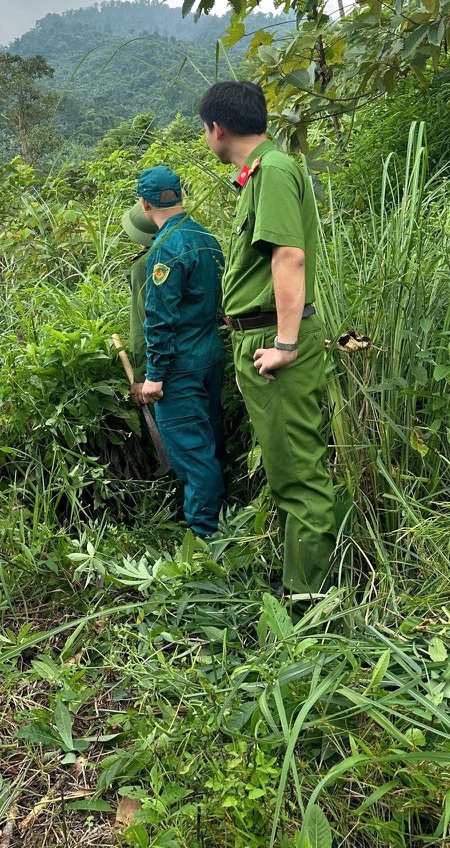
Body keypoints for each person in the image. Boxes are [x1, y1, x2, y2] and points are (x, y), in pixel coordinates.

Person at [199, 79, 336, 600]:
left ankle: (310, 598)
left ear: (218, 128)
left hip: (274, 345)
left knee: (298, 472)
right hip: (258, 339)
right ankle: (302, 578)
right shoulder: (259, 174)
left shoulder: (274, 171)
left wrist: (284, 343)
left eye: (204, 130)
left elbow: (288, 257)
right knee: (287, 467)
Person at [133, 166, 226, 537]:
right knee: (211, 439)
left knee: (191, 450)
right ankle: (226, 518)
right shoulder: (207, 238)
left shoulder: (165, 250)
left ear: (144, 203)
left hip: (180, 368)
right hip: (211, 356)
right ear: (180, 195)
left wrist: (154, 377)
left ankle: (206, 538)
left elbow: (159, 320)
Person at [120, 202, 156, 397]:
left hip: (167, 367)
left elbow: (142, 320)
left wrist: (141, 375)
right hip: (208, 355)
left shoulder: (144, 264)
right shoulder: (199, 242)